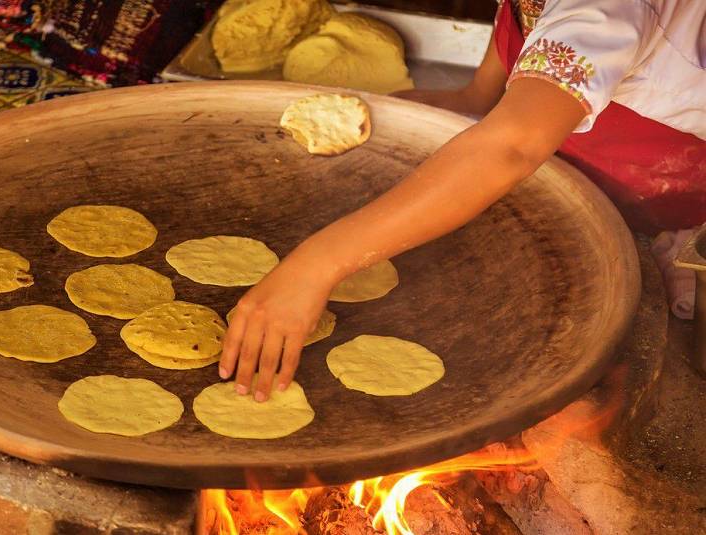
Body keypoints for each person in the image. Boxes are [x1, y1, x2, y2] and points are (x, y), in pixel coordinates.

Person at [220, 0, 705, 401]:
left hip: (666, 213)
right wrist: (461, 103)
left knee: (629, 356)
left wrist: (314, 265)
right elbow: (505, 66)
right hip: (564, 179)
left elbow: (511, 145)